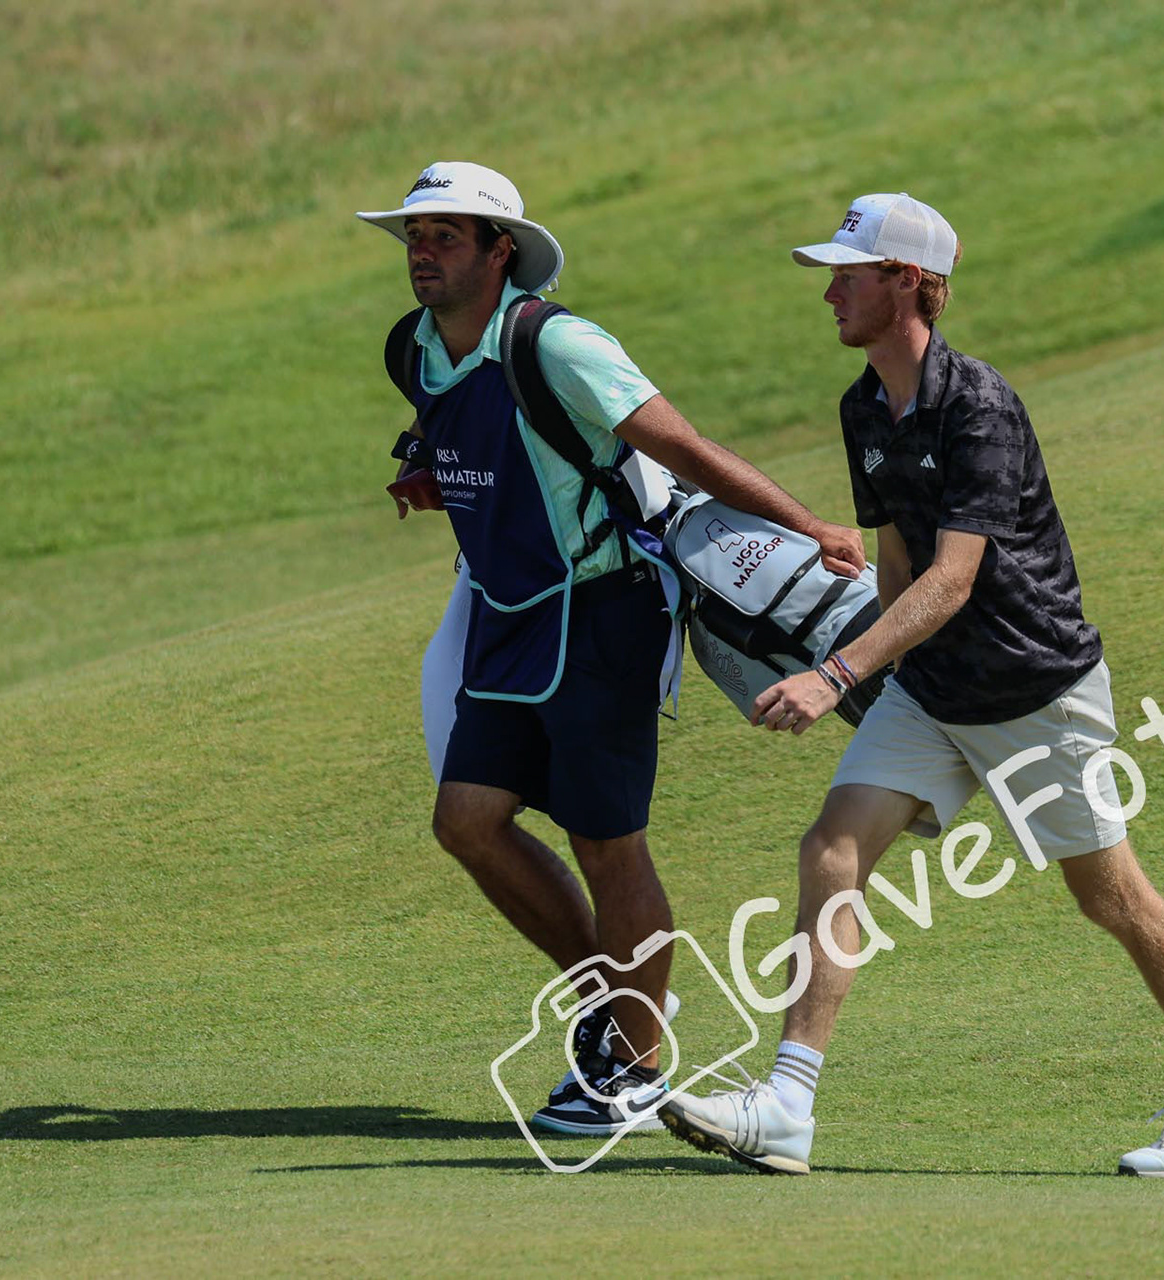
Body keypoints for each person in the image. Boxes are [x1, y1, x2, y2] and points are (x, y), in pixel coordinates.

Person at [659, 193, 1164, 1177]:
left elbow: (957, 578)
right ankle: (787, 1101)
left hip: (1040, 690)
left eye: (847, 275)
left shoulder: (978, 404)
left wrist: (833, 674)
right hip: (935, 694)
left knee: (1111, 898)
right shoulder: (865, 406)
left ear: (906, 281)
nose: (828, 292)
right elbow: (898, 565)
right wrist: (872, 681)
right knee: (833, 849)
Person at [357, 161, 866, 1135]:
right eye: (414, 237)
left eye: (445, 236)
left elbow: (683, 447)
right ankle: (626, 1009)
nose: (421, 252)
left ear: (500, 250)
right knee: (467, 820)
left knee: (606, 839)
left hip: (603, 608)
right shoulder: (412, 347)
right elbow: (451, 423)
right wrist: (428, 470)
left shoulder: (559, 342)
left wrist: (809, 524)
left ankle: (630, 1065)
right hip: (508, 614)